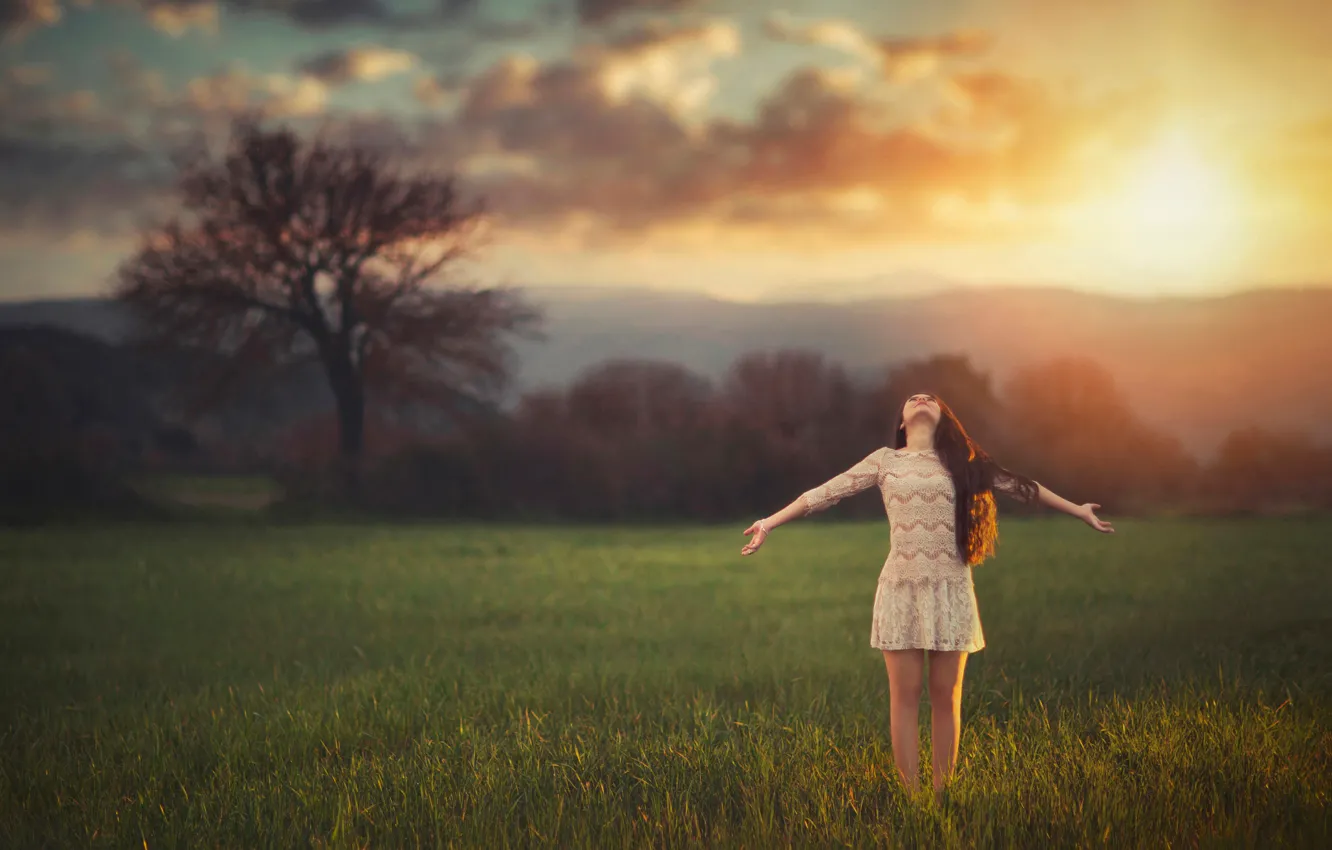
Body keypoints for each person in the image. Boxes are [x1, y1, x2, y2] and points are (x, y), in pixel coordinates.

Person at [739, 391, 1114, 803]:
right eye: (913, 398)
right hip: (900, 587)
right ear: (902, 422)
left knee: (945, 694)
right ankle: (911, 797)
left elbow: (1023, 487)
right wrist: (768, 523)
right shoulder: (885, 460)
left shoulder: (963, 462)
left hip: (951, 588)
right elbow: (824, 493)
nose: (921, 399)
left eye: (931, 398)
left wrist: (1078, 510)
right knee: (905, 695)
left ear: (943, 418)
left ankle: (942, 795)